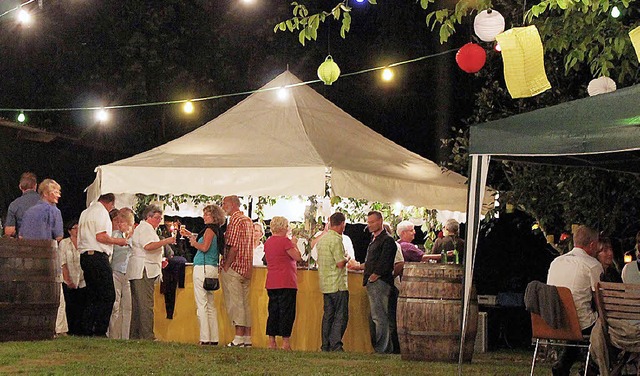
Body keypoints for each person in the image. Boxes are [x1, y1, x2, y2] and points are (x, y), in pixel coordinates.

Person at [547, 225, 603, 376]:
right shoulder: (592, 265)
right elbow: (600, 303)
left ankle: (563, 365)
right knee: (605, 326)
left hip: (554, 321)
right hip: (580, 324)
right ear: (592, 244)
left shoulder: (556, 262)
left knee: (577, 325)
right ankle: (594, 367)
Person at [78, 193, 129, 337]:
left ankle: (87, 329)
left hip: (85, 255)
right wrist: (119, 241)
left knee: (93, 294)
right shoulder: (101, 212)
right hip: (98, 256)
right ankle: (100, 330)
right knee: (108, 295)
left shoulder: (85, 212)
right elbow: (101, 236)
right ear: (110, 203)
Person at [20, 178, 66, 336]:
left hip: (28, 259)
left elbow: (21, 236)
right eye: (56, 191)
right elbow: (58, 236)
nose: (59, 195)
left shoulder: (29, 211)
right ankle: (57, 329)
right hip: (47, 259)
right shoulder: (54, 211)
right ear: (46, 193)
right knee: (55, 295)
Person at [127, 204, 176, 340]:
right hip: (143, 270)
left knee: (138, 306)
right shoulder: (145, 229)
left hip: (142, 268)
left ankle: (136, 336)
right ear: (148, 217)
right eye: (156, 218)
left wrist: (159, 260)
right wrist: (166, 241)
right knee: (145, 305)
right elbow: (148, 246)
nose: (158, 221)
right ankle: (147, 335)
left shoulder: (145, 229)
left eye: (160, 218)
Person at [181, 204, 225, 346]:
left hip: (202, 267)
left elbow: (204, 247)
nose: (203, 217)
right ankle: (214, 337)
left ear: (213, 216)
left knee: (202, 303)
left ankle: (204, 337)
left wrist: (194, 243)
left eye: (206, 214)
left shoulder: (209, 230)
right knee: (210, 304)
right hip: (212, 267)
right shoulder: (217, 230)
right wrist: (190, 235)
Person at [220, 195, 254, 347]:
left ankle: (238, 337)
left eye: (224, 203)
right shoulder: (247, 220)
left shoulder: (234, 220)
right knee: (245, 303)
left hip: (235, 266)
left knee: (235, 303)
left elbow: (232, 246)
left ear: (232, 204)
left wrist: (227, 264)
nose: (222, 205)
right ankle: (247, 337)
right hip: (246, 267)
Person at [263, 216, 302, 350]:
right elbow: (297, 257)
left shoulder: (268, 242)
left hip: (272, 280)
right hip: (287, 281)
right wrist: (295, 244)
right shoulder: (286, 242)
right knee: (287, 312)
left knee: (273, 311)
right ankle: (285, 342)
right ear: (283, 228)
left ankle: (271, 341)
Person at [363, 211, 397, 354]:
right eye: (368, 222)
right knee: (377, 316)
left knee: (379, 317)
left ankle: (382, 348)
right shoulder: (375, 239)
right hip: (374, 282)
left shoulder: (387, 240)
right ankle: (384, 347)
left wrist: (375, 275)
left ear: (380, 221)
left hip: (380, 282)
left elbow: (385, 261)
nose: (369, 225)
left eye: (372, 222)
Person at [316, 212, 350, 352]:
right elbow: (340, 263)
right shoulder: (336, 240)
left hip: (326, 284)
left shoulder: (322, 239)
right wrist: (347, 257)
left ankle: (325, 345)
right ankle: (336, 344)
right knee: (340, 316)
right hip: (337, 284)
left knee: (328, 316)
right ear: (342, 224)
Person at [108, 208, 134, 339]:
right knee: (116, 304)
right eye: (119, 222)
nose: (120, 225)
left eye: (123, 222)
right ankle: (113, 334)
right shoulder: (115, 235)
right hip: (116, 271)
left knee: (128, 306)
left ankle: (126, 336)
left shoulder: (134, 236)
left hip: (129, 273)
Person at [59, 219, 86, 336]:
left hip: (82, 280)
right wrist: (68, 279)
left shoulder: (84, 243)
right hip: (68, 279)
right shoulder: (64, 243)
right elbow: (62, 262)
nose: (77, 230)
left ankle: (79, 330)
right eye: (75, 228)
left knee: (81, 306)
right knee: (69, 306)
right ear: (70, 231)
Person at [3, 172, 39, 238]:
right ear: (35, 186)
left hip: (24, 245)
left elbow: (9, 231)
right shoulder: (46, 202)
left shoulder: (14, 204)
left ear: (20, 186)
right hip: (46, 245)